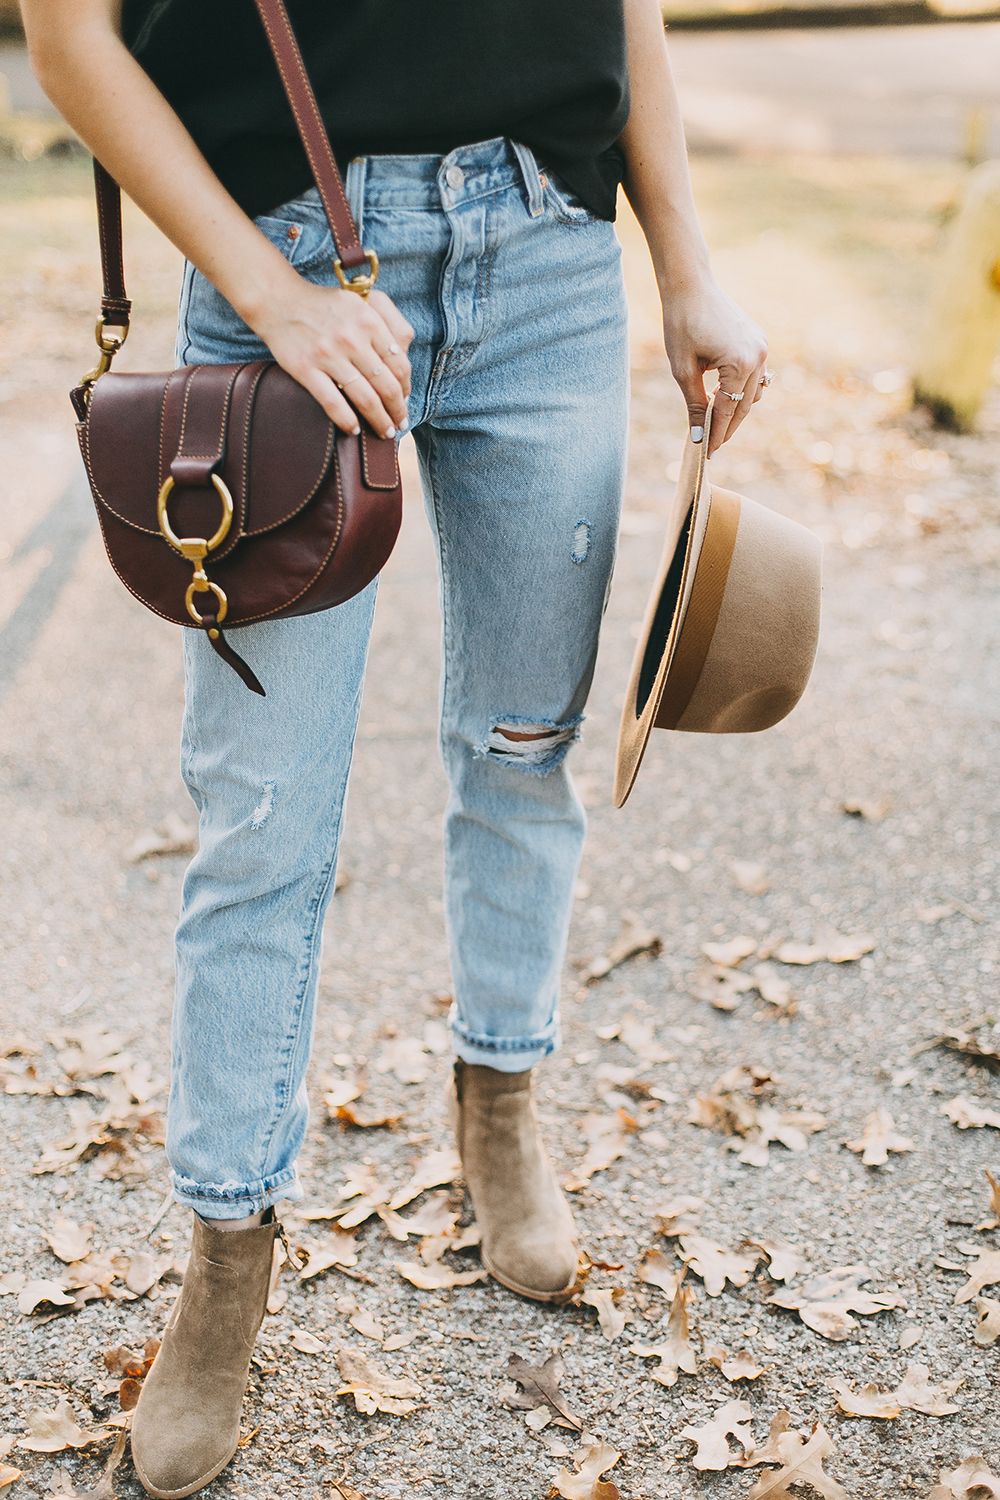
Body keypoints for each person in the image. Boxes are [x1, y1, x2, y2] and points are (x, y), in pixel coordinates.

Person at [23, 2, 768, 1495]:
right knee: (263, 821)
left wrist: (687, 257)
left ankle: (501, 1106)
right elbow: (68, 34)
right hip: (285, 252)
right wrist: (270, 295)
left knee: (523, 745)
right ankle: (227, 1252)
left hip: (551, 249)